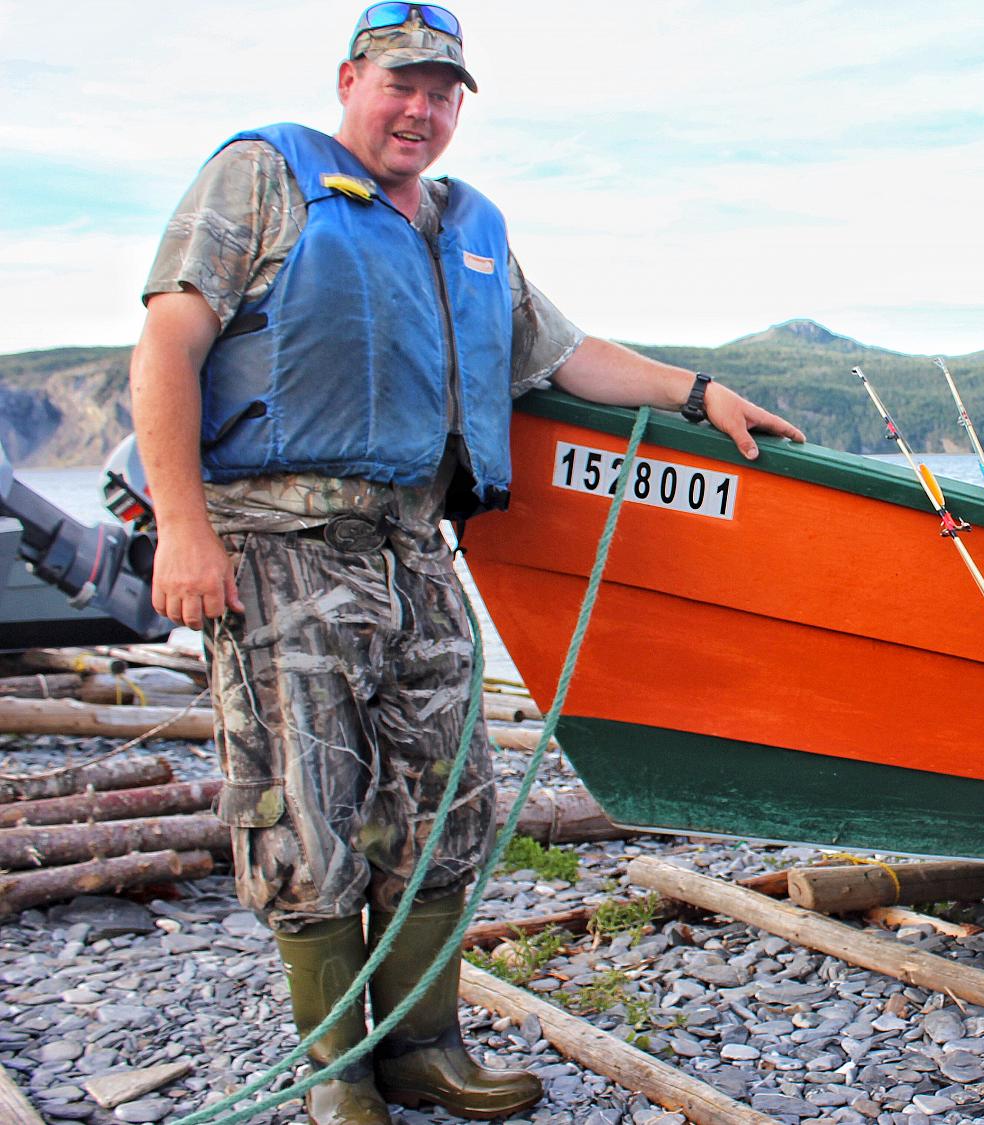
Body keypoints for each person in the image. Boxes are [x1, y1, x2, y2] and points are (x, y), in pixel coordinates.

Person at [127, 6, 805, 1123]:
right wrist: (183, 530)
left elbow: (564, 353)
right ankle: (337, 1074)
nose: (422, 110)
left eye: (444, 94)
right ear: (351, 79)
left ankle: (423, 1047)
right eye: (403, 84)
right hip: (278, 550)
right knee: (304, 816)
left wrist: (694, 391)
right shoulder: (261, 178)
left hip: (414, 548)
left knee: (445, 806)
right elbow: (169, 341)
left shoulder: (464, 226)